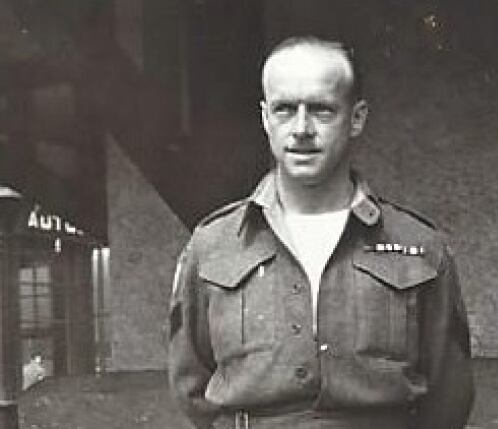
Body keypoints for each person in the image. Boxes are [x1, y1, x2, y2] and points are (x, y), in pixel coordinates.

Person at [168, 35, 474, 429]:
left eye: (322, 110)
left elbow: (449, 396)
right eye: (284, 110)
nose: (301, 129)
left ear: (357, 118)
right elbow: (191, 385)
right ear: (265, 118)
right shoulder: (213, 245)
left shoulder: (418, 246)